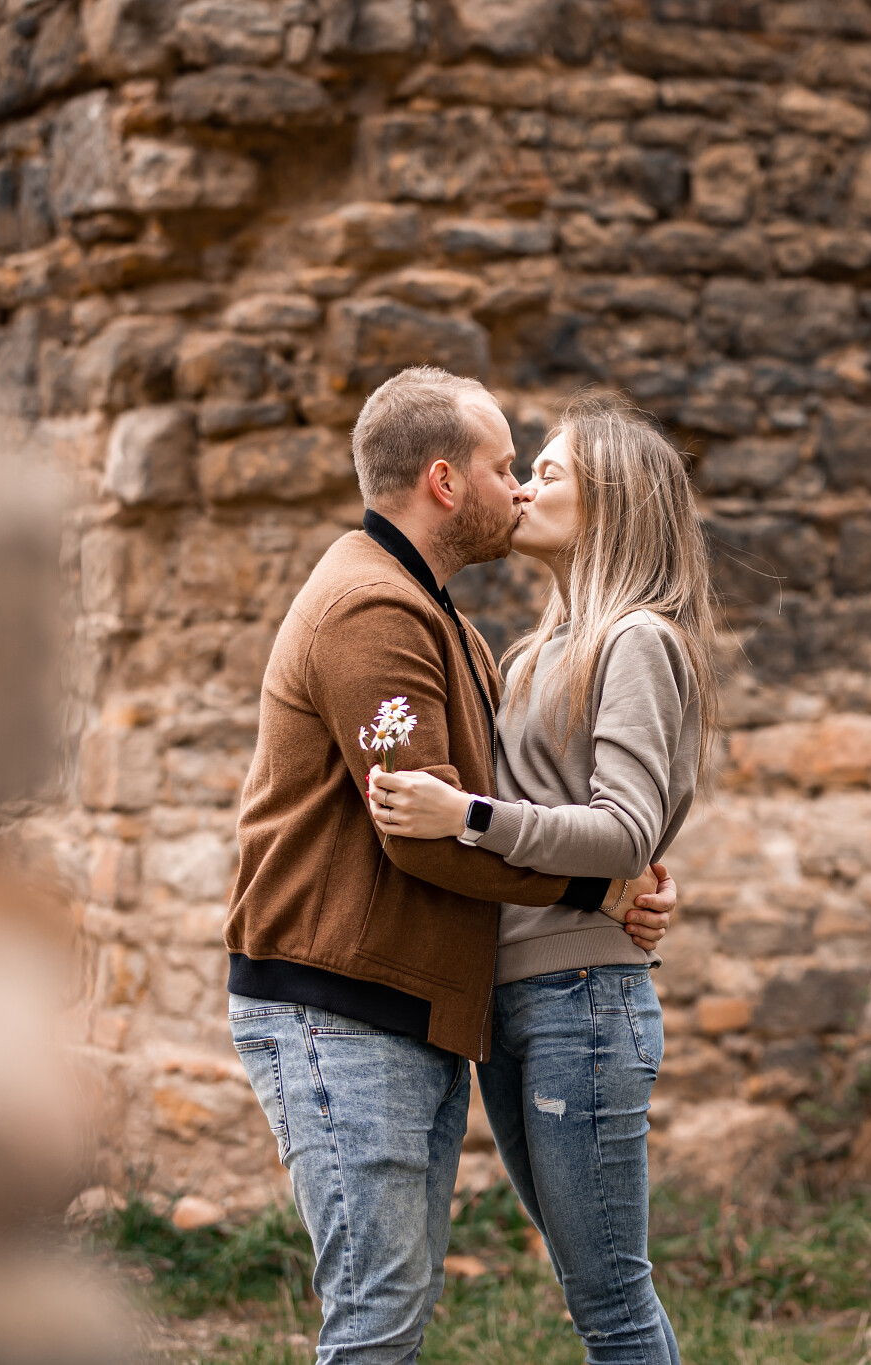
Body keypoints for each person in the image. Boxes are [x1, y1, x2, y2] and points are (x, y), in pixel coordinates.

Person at [222, 367, 677, 1365]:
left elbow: (551, 813)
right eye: (504, 465)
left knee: (396, 1308)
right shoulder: (373, 617)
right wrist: (592, 887)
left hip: (406, 1005)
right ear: (442, 481)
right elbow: (421, 826)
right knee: (379, 1311)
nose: (515, 487)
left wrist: (619, 874)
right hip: (339, 998)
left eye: (531, 469)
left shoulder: (453, 629)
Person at [368, 392, 720, 1365]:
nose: (520, 486)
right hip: (513, 1000)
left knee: (609, 1299)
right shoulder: (530, 657)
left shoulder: (637, 639)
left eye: (549, 473)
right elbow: (600, 839)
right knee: (586, 1293)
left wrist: (464, 818)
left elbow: (621, 830)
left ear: (610, 506)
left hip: (582, 1002)